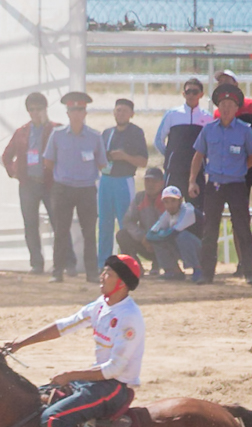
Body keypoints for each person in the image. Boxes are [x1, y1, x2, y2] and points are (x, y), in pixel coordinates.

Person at [3, 254, 146, 427]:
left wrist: (70, 375)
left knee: (52, 419)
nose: (102, 277)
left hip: (115, 389)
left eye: (109, 274)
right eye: (104, 271)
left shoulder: (129, 318)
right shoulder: (101, 304)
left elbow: (113, 370)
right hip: (96, 382)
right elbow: (64, 326)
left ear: (122, 283)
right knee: (39, 398)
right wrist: (22, 343)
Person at [188, 83, 252, 286]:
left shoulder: (245, 130)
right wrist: (192, 180)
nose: (226, 108)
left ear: (237, 108)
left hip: (237, 185)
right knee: (209, 230)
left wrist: (240, 169)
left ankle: (249, 273)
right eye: (223, 104)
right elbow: (198, 155)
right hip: (214, 186)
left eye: (230, 104)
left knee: (242, 228)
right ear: (218, 107)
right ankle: (207, 274)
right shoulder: (209, 129)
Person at [42, 91, 107, 283]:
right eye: (72, 110)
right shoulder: (58, 134)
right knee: (61, 231)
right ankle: (57, 272)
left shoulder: (95, 137)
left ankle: (91, 273)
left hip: (86, 189)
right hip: (63, 188)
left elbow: (102, 163)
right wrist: (64, 175)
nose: (76, 113)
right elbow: (48, 161)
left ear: (85, 113)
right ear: (67, 113)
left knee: (89, 232)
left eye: (80, 110)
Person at [1, 91, 57, 274]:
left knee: (58, 223)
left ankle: (64, 261)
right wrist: (13, 171)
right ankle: (36, 263)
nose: (35, 113)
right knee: (30, 224)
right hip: (29, 184)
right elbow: (6, 155)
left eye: (39, 109)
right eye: (32, 110)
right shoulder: (22, 132)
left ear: (45, 109)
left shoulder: (56, 129)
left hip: (50, 183)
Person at [97, 97, 148, 267]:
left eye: (124, 111)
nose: (120, 114)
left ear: (131, 114)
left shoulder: (136, 133)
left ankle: (126, 260)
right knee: (105, 223)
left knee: (125, 222)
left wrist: (125, 156)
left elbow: (143, 161)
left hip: (123, 180)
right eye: (118, 110)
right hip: (105, 180)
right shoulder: (107, 133)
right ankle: (103, 261)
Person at [217, 70, 252, 220]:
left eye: (227, 81)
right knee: (238, 213)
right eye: (220, 82)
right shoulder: (218, 113)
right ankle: (241, 244)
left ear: (236, 84)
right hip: (236, 169)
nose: (223, 85)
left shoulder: (251, 105)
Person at [154, 78, 212, 198]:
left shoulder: (207, 118)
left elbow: (211, 145)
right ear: (183, 94)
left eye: (195, 92)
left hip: (197, 173)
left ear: (201, 94)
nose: (191, 95)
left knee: (197, 210)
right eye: (188, 91)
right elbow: (158, 140)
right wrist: (171, 155)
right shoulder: (172, 114)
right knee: (171, 209)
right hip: (175, 171)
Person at [112, 166, 167, 271]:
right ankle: (135, 267)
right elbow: (128, 221)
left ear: (162, 183)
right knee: (122, 235)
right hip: (144, 242)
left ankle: (163, 265)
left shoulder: (168, 199)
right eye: (147, 180)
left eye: (154, 181)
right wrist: (142, 237)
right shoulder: (139, 198)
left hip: (164, 242)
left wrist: (155, 238)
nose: (150, 184)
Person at [145, 185, 203, 281]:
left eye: (173, 201)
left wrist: (160, 234)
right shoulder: (167, 214)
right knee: (159, 240)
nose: (170, 205)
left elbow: (174, 233)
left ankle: (198, 268)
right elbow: (150, 235)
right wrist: (160, 235)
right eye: (167, 202)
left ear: (180, 201)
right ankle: (173, 271)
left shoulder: (188, 210)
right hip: (184, 247)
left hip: (203, 250)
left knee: (181, 236)